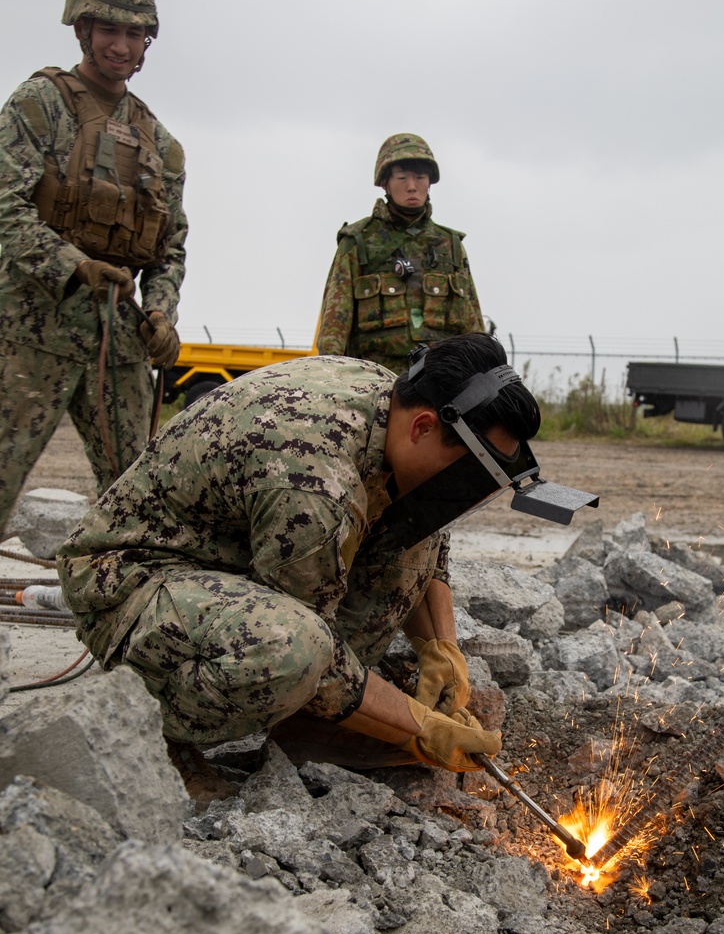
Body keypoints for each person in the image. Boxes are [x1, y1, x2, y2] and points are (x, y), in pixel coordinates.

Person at [58, 335, 543, 786]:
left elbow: (426, 538)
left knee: (415, 527)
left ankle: (309, 729)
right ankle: (159, 736)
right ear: (424, 427)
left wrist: (442, 648)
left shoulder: (391, 403)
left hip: (227, 563)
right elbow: (320, 654)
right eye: (472, 474)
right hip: (132, 580)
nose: (470, 492)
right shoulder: (314, 483)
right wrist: (419, 729)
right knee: (294, 649)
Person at [0, 0, 187, 537]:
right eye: (109, 30)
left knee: (142, 508)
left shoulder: (161, 143)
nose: (121, 45)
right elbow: (6, 208)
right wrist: (75, 266)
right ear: (82, 30)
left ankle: (128, 620)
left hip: (118, 340)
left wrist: (160, 311)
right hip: (31, 334)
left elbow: (169, 245)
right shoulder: (40, 104)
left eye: (135, 33)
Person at [316, 133, 485, 370]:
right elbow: (334, 326)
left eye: (420, 177)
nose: (412, 186)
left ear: (430, 182)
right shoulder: (358, 242)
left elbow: (473, 325)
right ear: (385, 182)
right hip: (375, 379)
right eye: (402, 177)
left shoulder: (451, 245)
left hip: (440, 381)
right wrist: (332, 375)